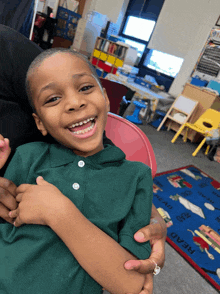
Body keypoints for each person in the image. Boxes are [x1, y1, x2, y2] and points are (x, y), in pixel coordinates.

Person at [0, 25, 166, 294]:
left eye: (86, 87)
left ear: (106, 100)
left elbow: (133, 283)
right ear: (39, 123)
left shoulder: (136, 177)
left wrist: (60, 213)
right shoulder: (28, 156)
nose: (74, 103)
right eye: (53, 98)